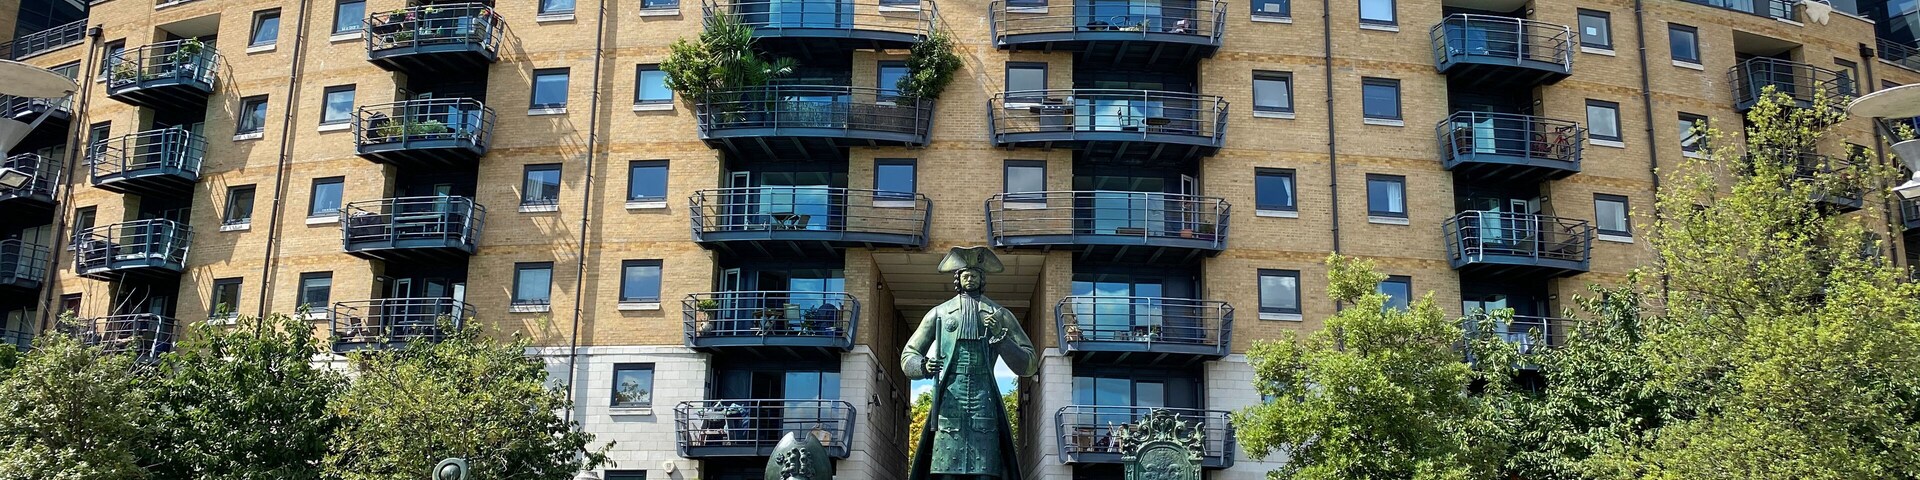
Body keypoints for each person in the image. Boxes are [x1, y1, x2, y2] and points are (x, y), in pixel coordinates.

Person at [903, 247, 1038, 480]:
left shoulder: (999, 314)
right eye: (965, 273)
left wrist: (1001, 337)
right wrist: (924, 366)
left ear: (982, 278)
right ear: (957, 278)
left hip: (983, 395)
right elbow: (909, 354)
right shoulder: (940, 313)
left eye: (975, 273)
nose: (970, 277)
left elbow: (1029, 364)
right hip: (950, 396)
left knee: (985, 473)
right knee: (946, 473)